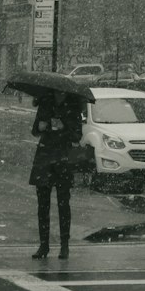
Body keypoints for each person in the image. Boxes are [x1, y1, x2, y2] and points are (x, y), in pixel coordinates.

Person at [29, 92, 82, 259]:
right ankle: (43, 245)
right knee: (42, 205)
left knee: (63, 203)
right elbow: (35, 131)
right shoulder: (45, 103)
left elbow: (77, 135)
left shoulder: (73, 107)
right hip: (44, 158)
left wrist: (63, 127)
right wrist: (41, 127)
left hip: (63, 159)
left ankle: (64, 245)